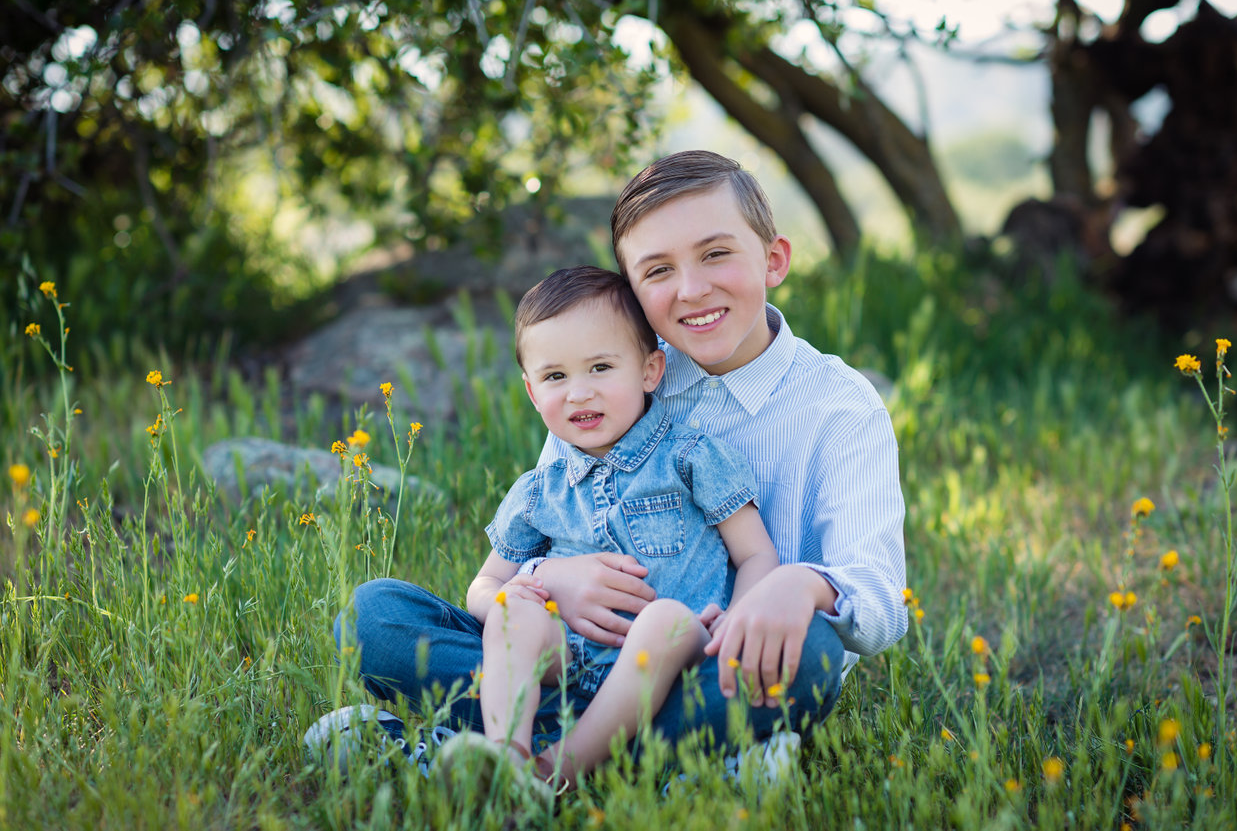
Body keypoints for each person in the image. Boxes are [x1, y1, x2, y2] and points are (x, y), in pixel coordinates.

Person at [315, 150, 906, 777]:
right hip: (570, 658)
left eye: (716, 254)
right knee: (374, 619)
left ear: (774, 259)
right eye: (658, 271)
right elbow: (551, 514)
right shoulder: (609, 375)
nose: (692, 288)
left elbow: (883, 597)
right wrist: (551, 576)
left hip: (713, 663)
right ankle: (654, 759)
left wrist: (802, 584)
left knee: (811, 652)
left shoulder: (840, 407)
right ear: (633, 294)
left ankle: (493, 759)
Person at [433, 265, 778, 790]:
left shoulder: (689, 457)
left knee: (665, 617)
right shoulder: (537, 490)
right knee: (504, 611)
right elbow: (482, 587)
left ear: (649, 371)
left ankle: (556, 770)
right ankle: (508, 755)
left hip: (678, 650)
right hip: (571, 660)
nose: (578, 393)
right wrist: (528, 587)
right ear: (531, 391)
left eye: (599, 368)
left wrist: (736, 620)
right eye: (555, 377)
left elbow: (756, 555)